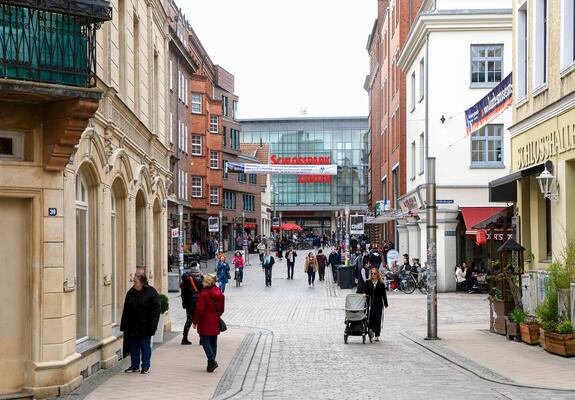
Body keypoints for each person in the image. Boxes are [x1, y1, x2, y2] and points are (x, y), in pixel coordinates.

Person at [120, 272, 161, 374]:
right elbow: (126, 310)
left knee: (145, 346)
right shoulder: (130, 293)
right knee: (133, 346)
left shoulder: (151, 292)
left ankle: (145, 366)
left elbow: (156, 310)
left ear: (142, 282)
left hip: (146, 325)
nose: (134, 283)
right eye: (134, 281)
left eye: (136, 281)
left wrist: (153, 326)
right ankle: (135, 366)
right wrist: (124, 325)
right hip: (133, 325)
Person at [192, 274, 225, 373]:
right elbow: (221, 309)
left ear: (208, 283)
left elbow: (199, 309)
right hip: (215, 319)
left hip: (205, 320)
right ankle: (211, 364)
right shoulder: (219, 292)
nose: (202, 283)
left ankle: (211, 360)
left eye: (203, 282)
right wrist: (217, 314)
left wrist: (195, 321)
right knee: (213, 342)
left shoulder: (203, 294)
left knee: (205, 341)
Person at [180, 265, 203, 345]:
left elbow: (183, 293)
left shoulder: (186, 280)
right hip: (198, 303)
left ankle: (184, 338)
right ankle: (201, 339)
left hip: (189, 304)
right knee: (200, 320)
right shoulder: (200, 280)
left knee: (189, 320)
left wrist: (184, 303)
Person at [364, 268, 388, 342]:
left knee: (378, 319)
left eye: (374, 273)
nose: (373, 275)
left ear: (377, 274)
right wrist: (365, 294)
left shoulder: (381, 283)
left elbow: (384, 294)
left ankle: (377, 334)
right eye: (372, 273)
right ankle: (370, 332)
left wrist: (386, 303)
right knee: (370, 318)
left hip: (378, 303)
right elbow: (365, 291)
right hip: (370, 303)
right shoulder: (368, 282)